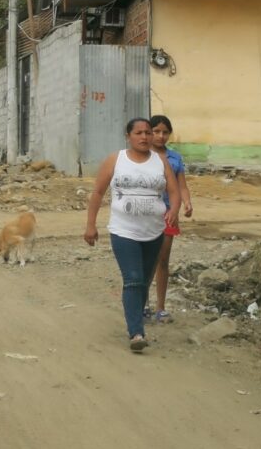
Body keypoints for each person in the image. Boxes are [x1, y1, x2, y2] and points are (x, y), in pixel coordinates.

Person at [84, 118, 181, 353]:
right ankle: (136, 332)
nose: (145, 137)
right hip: (123, 231)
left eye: (148, 132)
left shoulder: (160, 161)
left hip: (154, 231)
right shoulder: (116, 160)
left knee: (145, 280)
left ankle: (136, 316)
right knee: (134, 278)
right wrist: (90, 225)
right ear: (128, 135)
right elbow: (98, 192)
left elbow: (174, 191)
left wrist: (174, 210)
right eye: (139, 133)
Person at [148, 115, 193, 324]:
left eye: (165, 132)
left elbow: (181, 184)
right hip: (146, 213)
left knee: (162, 260)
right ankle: (141, 304)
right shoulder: (142, 156)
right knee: (146, 261)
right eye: (156, 131)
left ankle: (160, 307)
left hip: (169, 213)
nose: (160, 136)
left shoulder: (174, 158)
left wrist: (187, 202)